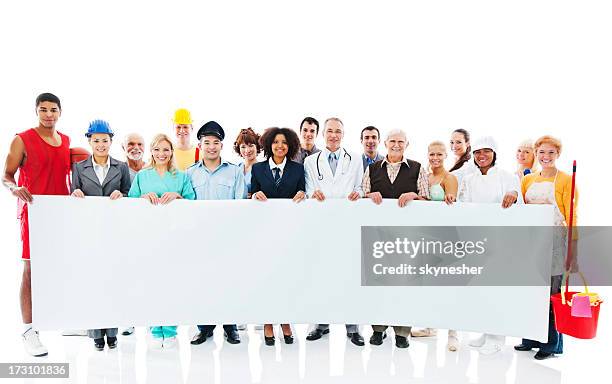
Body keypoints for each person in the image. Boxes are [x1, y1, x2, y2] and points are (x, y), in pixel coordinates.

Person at [2, 93, 71, 357]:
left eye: (53, 110)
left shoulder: (65, 141)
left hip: (60, 212)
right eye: (43, 110)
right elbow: (6, 175)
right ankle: (29, 331)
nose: (48, 114)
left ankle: (64, 321)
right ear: (36, 111)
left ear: (60, 112)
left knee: (60, 267)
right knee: (31, 270)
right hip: (33, 212)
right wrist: (13, 187)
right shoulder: (22, 139)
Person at [363, 129, 430, 348]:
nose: (396, 145)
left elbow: (427, 199)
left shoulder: (418, 168)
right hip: (378, 236)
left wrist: (414, 196)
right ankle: (378, 329)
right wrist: (369, 196)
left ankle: (402, 332)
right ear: (385, 143)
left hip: (408, 237)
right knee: (379, 282)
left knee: (405, 284)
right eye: (392, 141)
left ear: (407, 144)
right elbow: (363, 195)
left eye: (400, 141)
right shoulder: (372, 169)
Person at [128, 133, 195, 348]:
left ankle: (171, 329)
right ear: (152, 152)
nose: (161, 154)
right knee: (151, 282)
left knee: (171, 283)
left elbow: (193, 203)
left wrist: (178, 197)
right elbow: (129, 203)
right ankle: (155, 329)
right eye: (157, 149)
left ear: (172, 152)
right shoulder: (142, 176)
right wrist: (141, 198)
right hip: (148, 237)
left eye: (166, 149)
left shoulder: (181, 176)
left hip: (174, 238)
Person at [514, 135, 578, 360]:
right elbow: (522, 211)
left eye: (551, 152)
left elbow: (571, 215)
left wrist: (574, 248)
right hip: (532, 241)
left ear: (558, 154)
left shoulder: (566, 180)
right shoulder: (527, 180)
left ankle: (551, 344)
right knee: (530, 291)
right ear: (536, 154)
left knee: (551, 293)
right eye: (542, 152)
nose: (546, 157)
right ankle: (529, 338)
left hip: (555, 241)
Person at [303, 117, 365, 347]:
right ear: (323, 134)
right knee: (320, 274)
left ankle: (353, 326)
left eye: (338, 131)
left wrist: (357, 193)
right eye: (330, 131)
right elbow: (310, 190)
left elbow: (359, 186)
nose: (333, 135)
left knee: (349, 275)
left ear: (343, 134)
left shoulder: (355, 160)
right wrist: (314, 195)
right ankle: (320, 324)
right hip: (321, 226)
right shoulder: (310, 162)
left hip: (347, 225)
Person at [458, 136, 523, 355]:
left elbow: (517, 197)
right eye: (477, 152)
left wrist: (513, 195)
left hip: (501, 241)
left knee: (497, 290)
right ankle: (486, 332)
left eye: (486, 151)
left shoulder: (507, 177)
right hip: (477, 241)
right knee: (481, 291)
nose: (481, 155)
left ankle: (497, 337)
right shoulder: (469, 178)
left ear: (494, 153)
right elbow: (464, 205)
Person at [71, 120, 131, 350]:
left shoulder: (121, 167)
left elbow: (129, 192)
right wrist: (75, 193)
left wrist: (121, 194)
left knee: (114, 280)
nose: (101, 145)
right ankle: (96, 333)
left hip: (115, 231)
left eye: (105, 140)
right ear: (89, 141)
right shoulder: (79, 168)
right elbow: (73, 193)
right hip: (90, 232)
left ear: (111, 141)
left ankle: (112, 332)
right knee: (94, 281)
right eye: (96, 140)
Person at [186, 121, 245, 345]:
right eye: (207, 142)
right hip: (200, 239)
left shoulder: (234, 172)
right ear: (199, 145)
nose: (211, 146)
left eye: (216, 142)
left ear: (222, 145)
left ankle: (231, 327)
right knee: (202, 283)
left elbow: (240, 205)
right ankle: (204, 327)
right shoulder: (190, 173)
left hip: (227, 238)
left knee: (228, 282)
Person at [250, 127, 305, 346]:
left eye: (284, 142)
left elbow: (302, 192)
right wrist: (254, 194)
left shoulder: (298, 169)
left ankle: (285, 321)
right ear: (268, 145)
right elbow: (250, 195)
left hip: (289, 233)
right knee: (266, 277)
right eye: (275, 142)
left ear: (290, 146)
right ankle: (268, 323)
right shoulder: (257, 169)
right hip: (264, 233)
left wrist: (303, 194)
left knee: (286, 279)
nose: (280, 146)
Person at [410, 141, 459, 350]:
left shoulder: (450, 178)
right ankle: (431, 326)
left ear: (445, 155)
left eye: (439, 154)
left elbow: (454, 202)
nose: (435, 158)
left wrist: (450, 198)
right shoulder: (425, 177)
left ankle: (453, 332)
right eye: (432, 154)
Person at [234, 128, 261, 196]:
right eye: (243, 147)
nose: (247, 150)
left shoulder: (263, 169)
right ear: (239, 149)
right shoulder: (236, 168)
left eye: (251, 145)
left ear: (257, 147)